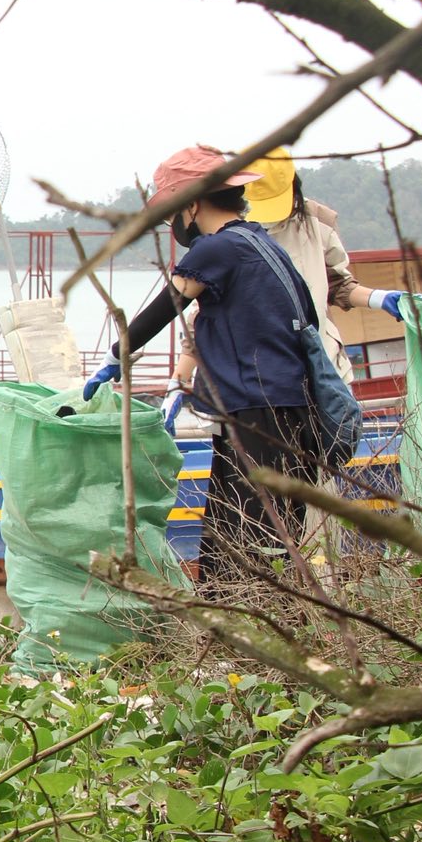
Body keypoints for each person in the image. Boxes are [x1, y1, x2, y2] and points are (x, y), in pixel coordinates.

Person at [83, 146, 330, 586]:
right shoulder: (263, 244)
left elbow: (166, 305)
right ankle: (247, 641)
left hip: (260, 416)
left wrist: (115, 357)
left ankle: (259, 643)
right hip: (288, 411)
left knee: (248, 539)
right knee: (244, 536)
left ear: (192, 204)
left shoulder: (219, 248)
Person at [244, 148, 406, 377]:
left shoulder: (319, 221)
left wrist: (380, 298)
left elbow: (337, 284)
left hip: (324, 363)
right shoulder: (239, 234)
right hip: (268, 370)